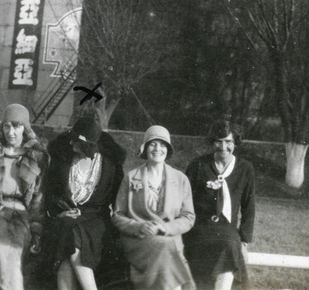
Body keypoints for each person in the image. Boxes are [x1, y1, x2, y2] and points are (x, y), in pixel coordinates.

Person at [0, 103, 49, 290]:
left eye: (17, 126)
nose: (11, 132)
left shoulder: (37, 156)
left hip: (22, 215)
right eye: (7, 126)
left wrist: (37, 230)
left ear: (25, 127)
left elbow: (38, 198)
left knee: (14, 250)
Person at [45, 116, 125, 290]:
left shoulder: (110, 166)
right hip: (66, 216)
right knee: (69, 229)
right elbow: (49, 194)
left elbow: (119, 200)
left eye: (77, 143)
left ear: (89, 146)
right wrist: (60, 213)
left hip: (95, 220)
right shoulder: (63, 160)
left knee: (70, 237)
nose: (71, 145)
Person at [112, 125, 196, 290]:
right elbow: (117, 215)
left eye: (163, 144)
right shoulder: (131, 178)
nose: (158, 149)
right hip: (139, 241)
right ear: (145, 148)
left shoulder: (181, 179)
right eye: (152, 144)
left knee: (165, 246)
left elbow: (188, 217)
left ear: (168, 149)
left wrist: (165, 228)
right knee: (164, 249)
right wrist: (140, 226)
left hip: (170, 240)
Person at [183, 120, 255, 290]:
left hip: (228, 230)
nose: (223, 147)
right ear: (212, 142)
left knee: (230, 245)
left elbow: (249, 206)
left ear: (235, 142)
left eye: (228, 141)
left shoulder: (245, 168)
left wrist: (244, 241)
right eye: (218, 141)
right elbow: (184, 200)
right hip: (199, 227)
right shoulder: (198, 165)